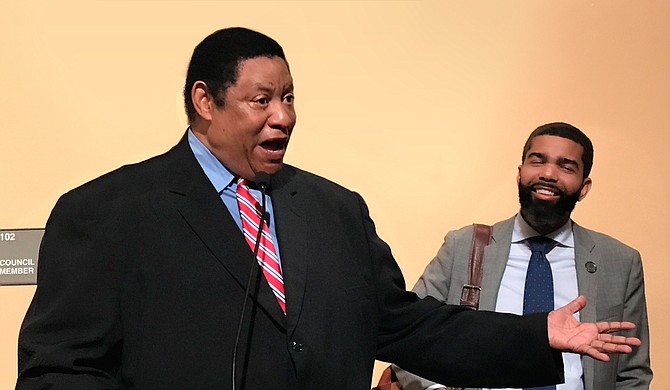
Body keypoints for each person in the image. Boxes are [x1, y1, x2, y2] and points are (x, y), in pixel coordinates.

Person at [16, 29, 639, 390]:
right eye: (262, 99)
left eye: (289, 98)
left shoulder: (336, 210)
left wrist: (539, 336)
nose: (284, 116)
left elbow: (406, 326)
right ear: (205, 101)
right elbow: (60, 372)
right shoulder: (106, 211)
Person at [393, 123, 652, 390]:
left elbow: (632, 373)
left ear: (584, 187)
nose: (548, 173)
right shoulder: (464, 247)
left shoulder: (620, 262)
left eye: (566, 166)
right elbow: (410, 333)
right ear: (520, 173)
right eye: (537, 161)